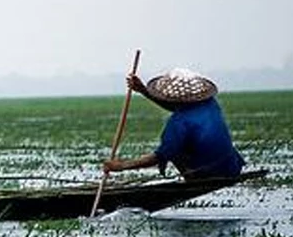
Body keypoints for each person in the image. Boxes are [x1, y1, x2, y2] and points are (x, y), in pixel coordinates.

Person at [103, 68, 245, 180]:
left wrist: (121, 166)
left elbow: (160, 156)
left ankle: (192, 176)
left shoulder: (179, 123)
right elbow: (178, 107)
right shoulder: (210, 103)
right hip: (232, 166)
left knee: (174, 149)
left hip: (207, 173)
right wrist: (143, 91)